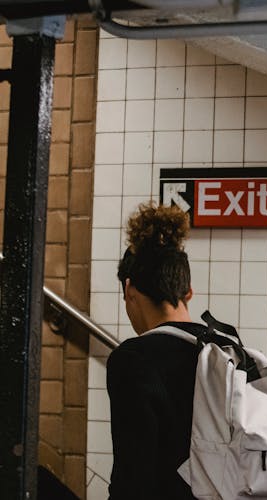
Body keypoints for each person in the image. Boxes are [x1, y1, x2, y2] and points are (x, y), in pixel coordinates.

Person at [106, 202, 204, 500]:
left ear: (128, 290)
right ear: (188, 291)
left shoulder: (133, 359)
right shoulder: (225, 351)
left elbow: (133, 475)